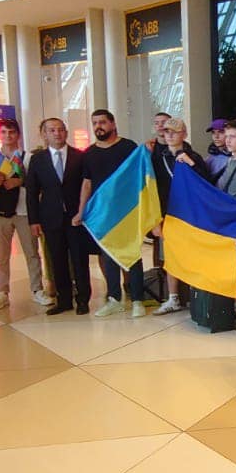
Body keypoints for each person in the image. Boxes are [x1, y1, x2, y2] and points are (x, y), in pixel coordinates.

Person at [74, 109, 148, 318]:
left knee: (132, 254)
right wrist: (81, 211)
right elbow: (87, 184)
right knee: (108, 256)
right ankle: (114, 299)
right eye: (95, 123)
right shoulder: (89, 153)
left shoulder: (128, 147)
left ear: (113, 124)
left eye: (102, 122)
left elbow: (139, 177)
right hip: (103, 214)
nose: (98, 126)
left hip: (126, 212)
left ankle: (138, 300)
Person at [25, 117, 92, 315]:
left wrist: (84, 211)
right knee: (57, 259)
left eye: (61, 129)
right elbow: (31, 192)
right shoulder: (38, 159)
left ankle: (83, 299)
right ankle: (64, 300)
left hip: (76, 217)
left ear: (66, 132)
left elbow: (87, 185)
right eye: (52, 130)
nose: (57, 133)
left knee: (80, 259)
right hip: (51, 217)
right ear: (44, 134)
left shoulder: (80, 156)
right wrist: (34, 221)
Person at [0, 119, 51, 312]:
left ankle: (37, 289)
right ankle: (2, 292)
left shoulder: (28, 158)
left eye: (11, 132)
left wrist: (20, 181)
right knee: (1, 254)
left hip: (24, 211)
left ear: (18, 135)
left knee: (32, 252)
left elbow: (38, 184)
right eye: (4, 132)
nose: (8, 136)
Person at [146, 115, 208, 314]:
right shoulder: (157, 158)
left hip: (191, 216)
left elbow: (206, 184)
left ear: (184, 134)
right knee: (170, 257)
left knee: (193, 255)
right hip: (168, 215)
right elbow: (152, 189)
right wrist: (155, 220)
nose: (170, 135)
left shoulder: (194, 157)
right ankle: (173, 297)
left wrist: (190, 163)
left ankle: (194, 295)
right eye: (167, 132)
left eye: (175, 132)